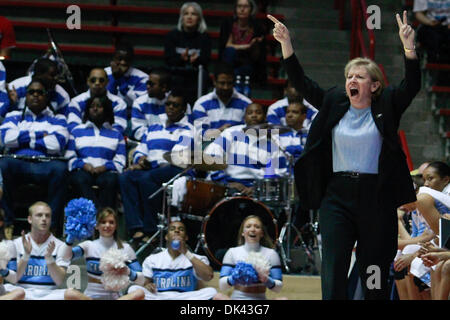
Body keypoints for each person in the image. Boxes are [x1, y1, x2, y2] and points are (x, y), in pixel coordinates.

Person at [268, 11, 421, 299]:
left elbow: (411, 86)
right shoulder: (335, 101)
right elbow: (302, 83)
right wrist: (286, 44)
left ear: (374, 85)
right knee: (335, 264)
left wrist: (409, 48)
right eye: (349, 75)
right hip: (337, 195)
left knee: (374, 266)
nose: (352, 79)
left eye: (360, 76)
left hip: (376, 195)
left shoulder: (386, 104)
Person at [119, 89, 194, 246]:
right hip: (153, 169)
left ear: (183, 109)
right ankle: (136, 227)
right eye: (168, 104)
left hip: (176, 170)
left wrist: (150, 163)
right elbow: (142, 147)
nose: (171, 108)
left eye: (175, 105)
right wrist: (140, 159)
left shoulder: (188, 129)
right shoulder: (154, 127)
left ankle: (150, 229)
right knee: (126, 177)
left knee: (147, 178)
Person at [0, 79, 69, 237]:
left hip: (46, 165)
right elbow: (7, 139)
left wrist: (22, 138)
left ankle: (51, 227)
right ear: (26, 96)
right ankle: (8, 223)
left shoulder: (58, 119)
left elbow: (57, 144)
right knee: (2, 165)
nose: (36, 95)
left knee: (61, 169)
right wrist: (40, 136)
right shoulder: (14, 116)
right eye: (32, 92)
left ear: (46, 97)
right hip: (17, 162)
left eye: (40, 92)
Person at [204, 102, 301, 196]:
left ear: (265, 117)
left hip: (258, 191)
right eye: (250, 113)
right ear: (244, 117)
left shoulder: (273, 141)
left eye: (258, 113)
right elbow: (212, 158)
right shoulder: (230, 133)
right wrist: (226, 183)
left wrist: (258, 188)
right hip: (228, 185)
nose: (254, 115)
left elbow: (280, 172)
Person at [128, 219, 227, 300]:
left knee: (211, 291)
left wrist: (186, 252)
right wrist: (148, 286)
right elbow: (146, 282)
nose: (177, 231)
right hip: (159, 297)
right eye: (172, 229)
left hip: (186, 298)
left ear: (186, 237)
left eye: (181, 229)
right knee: (134, 289)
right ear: (166, 237)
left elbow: (208, 276)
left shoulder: (196, 258)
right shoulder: (153, 259)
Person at [62, 207, 145, 300]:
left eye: (111, 222)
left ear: (116, 226)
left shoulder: (125, 248)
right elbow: (65, 257)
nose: (107, 225)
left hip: (115, 297)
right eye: (103, 222)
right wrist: (69, 242)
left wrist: (128, 272)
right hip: (91, 296)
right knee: (69, 293)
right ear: (96, 226)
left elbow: (141, 280)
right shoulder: (89, 245)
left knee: (139, 293)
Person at [65, 95, 126, 211]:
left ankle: (104, 217)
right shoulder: (76, 131)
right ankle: (97, 215)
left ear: (107, 110)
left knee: (111, 181)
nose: (95, 109)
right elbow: (70, 157)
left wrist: (104, 167)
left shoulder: (116, 134)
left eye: (99, 106)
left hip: (106, 172)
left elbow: (120, 161)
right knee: (79, 179)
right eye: (92, 106)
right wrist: (84, 165)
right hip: (83, 170)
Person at [2, 201, 69, 300]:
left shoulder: (61, 246)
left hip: (50, 294)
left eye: (47, 216)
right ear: (30, 219)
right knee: (12, 290)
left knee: (72, 294)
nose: (44, 219)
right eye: (39, 215)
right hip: (21, 292)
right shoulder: (16, 244)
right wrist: (26, 255)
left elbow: (59, 281)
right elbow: (14, 279)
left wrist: (49, 258)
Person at [218, 215, 283, 299]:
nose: (252, 229)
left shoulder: (271, 254)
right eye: (248, 227)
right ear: (243, 232)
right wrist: (234, 277)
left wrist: (266, 279)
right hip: (237, 299)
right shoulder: (232, 252)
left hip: (260, 299)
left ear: (262, 233)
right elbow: (222, 286)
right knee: (218, 297)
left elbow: (278, 288)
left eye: (257, 227)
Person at [164, 2, 212, 105]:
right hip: (176, 75)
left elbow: (206, 60)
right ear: (182, 17)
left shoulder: (204, 38)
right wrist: (181, 58)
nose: (189, 17)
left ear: (199, 18)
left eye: (193, 14)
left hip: (196, 77)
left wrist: (197, 60)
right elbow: (168, 59)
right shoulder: (172, 35)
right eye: (186, 14)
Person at [192, 62, 251, 141]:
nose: (226, 87)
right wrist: (221, 130)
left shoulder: (246, 104)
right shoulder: (201, 104)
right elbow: (199, 136)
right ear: (214, 81)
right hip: (208, 149)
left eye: (229, 83)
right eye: (222, 83)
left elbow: (251, 133)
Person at [67, 68, 127, 134]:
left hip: (109, 140)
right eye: (93, 80)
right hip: (83, 139)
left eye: (101, 80)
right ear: (88, 81)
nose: (97, 83)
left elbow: (119, 128)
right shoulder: (76, 102)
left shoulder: (118, 103)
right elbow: (73, 126)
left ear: (107, 82)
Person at [219, 0, 267, 83]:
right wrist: (246, 46)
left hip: (249, 60)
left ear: (251, 9)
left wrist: (255, 45)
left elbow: (258, 56)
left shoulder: (257, 26)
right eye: (239, 6)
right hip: (231, 60)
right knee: (230, 52)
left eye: (245, 7)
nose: (242, 9)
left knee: (245, 68)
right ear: (235, 9)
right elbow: (226, 46)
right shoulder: (228, 23)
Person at [105, 41, 148, 112]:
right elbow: (103, 99)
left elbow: (139, 103)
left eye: (126, 59)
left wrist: (120, 79)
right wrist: (113, 78)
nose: (123, 62)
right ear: (113, 58)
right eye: (119, 59)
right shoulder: (104, 73)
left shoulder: (142, 78)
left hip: (131, 114)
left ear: (131, 60)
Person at [131, 67, 172, 141]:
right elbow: (138, 132)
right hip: (147, 143)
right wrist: (158, 138)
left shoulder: (178, 103)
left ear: (163, 87)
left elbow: (184, 129)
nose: (147, 86)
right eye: (147, 83)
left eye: (151, 84)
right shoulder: (139, 103)